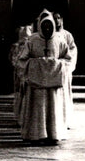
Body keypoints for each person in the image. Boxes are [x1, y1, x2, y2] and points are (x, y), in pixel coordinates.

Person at [16, 10, 72, 145]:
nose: (47, 28)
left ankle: (53, 134)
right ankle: (35, 135)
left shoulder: (59, 41)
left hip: (53, 86)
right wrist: (37, 64)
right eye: (44, 25)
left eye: (49, 26)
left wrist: (57, 65)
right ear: (40, 26)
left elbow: (68, 59)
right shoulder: (32, 40)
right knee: (37, 110)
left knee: (53, 109)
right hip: (36, 86)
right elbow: (22, 60)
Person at [53, 12, 77, 127]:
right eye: (54, 18)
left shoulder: (67, 35)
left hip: (63, 70)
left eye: (58, 18)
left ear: (61, 19)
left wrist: (65, 65)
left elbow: (72, 51)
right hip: (51, 70)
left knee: (64, 94)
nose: (57, 20)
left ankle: (65, 120)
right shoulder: (47, 35)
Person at [9, 25, 32, 123]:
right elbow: (13, 59)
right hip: (20, 73)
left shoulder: (30, 46)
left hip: (27, 73)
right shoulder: (16, 47)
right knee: (20, 95)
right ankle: (20, 117)